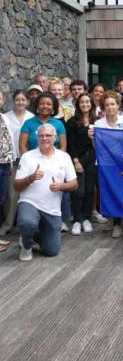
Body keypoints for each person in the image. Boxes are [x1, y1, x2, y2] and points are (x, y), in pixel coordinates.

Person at [15, 123, 77, 261]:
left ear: (54, 138)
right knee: (27, 222)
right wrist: (31, 178)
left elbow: (74, 184)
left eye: (48, 135)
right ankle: (26, 245)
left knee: (52, 251)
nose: (44, 138)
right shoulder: (27, 157)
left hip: (52, 210)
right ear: (37, 138)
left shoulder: (64, 156)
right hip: (30, 202)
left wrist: (61, 186)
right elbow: (16, 187)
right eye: (41, 136)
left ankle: (31, 234)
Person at [91, 90, 123, 238]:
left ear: (118, 105)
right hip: (104, 163)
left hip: (121, 163)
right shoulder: (98, 123)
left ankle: (117, 224)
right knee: (106, 192)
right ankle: (111, 218)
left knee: (119, 192)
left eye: (112, 104)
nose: (110, 107)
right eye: (106, 105)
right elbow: (96, 147)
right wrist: (92, 138)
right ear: (103, 107)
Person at [0, 90, 34, 236]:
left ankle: (24, 225)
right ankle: (7, 225)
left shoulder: (32, 117)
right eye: (17, 100)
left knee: (28, 193)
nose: (20, 102)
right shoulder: (6, 117)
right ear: (13, 101)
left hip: (29, 160)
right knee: (11, 195)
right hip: (13, 160)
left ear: (27, 102)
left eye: (23, 100)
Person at [66, 93, 98, 236]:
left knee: (90, 189)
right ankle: (77, 220)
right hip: (78, 158)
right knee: (78, 190)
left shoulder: (97, 121)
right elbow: (70, 144)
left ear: (91, 103)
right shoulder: (72, 122)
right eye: (82, 102)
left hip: (93, 158)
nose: (85, 104)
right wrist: (76, 161)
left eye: (87, 102)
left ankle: (87, 218)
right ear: (78, 104)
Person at [0, 95, 14, 252]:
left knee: (1, 199)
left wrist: (10, 164)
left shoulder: (3, 117)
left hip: (5, 164)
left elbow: (9, 141)